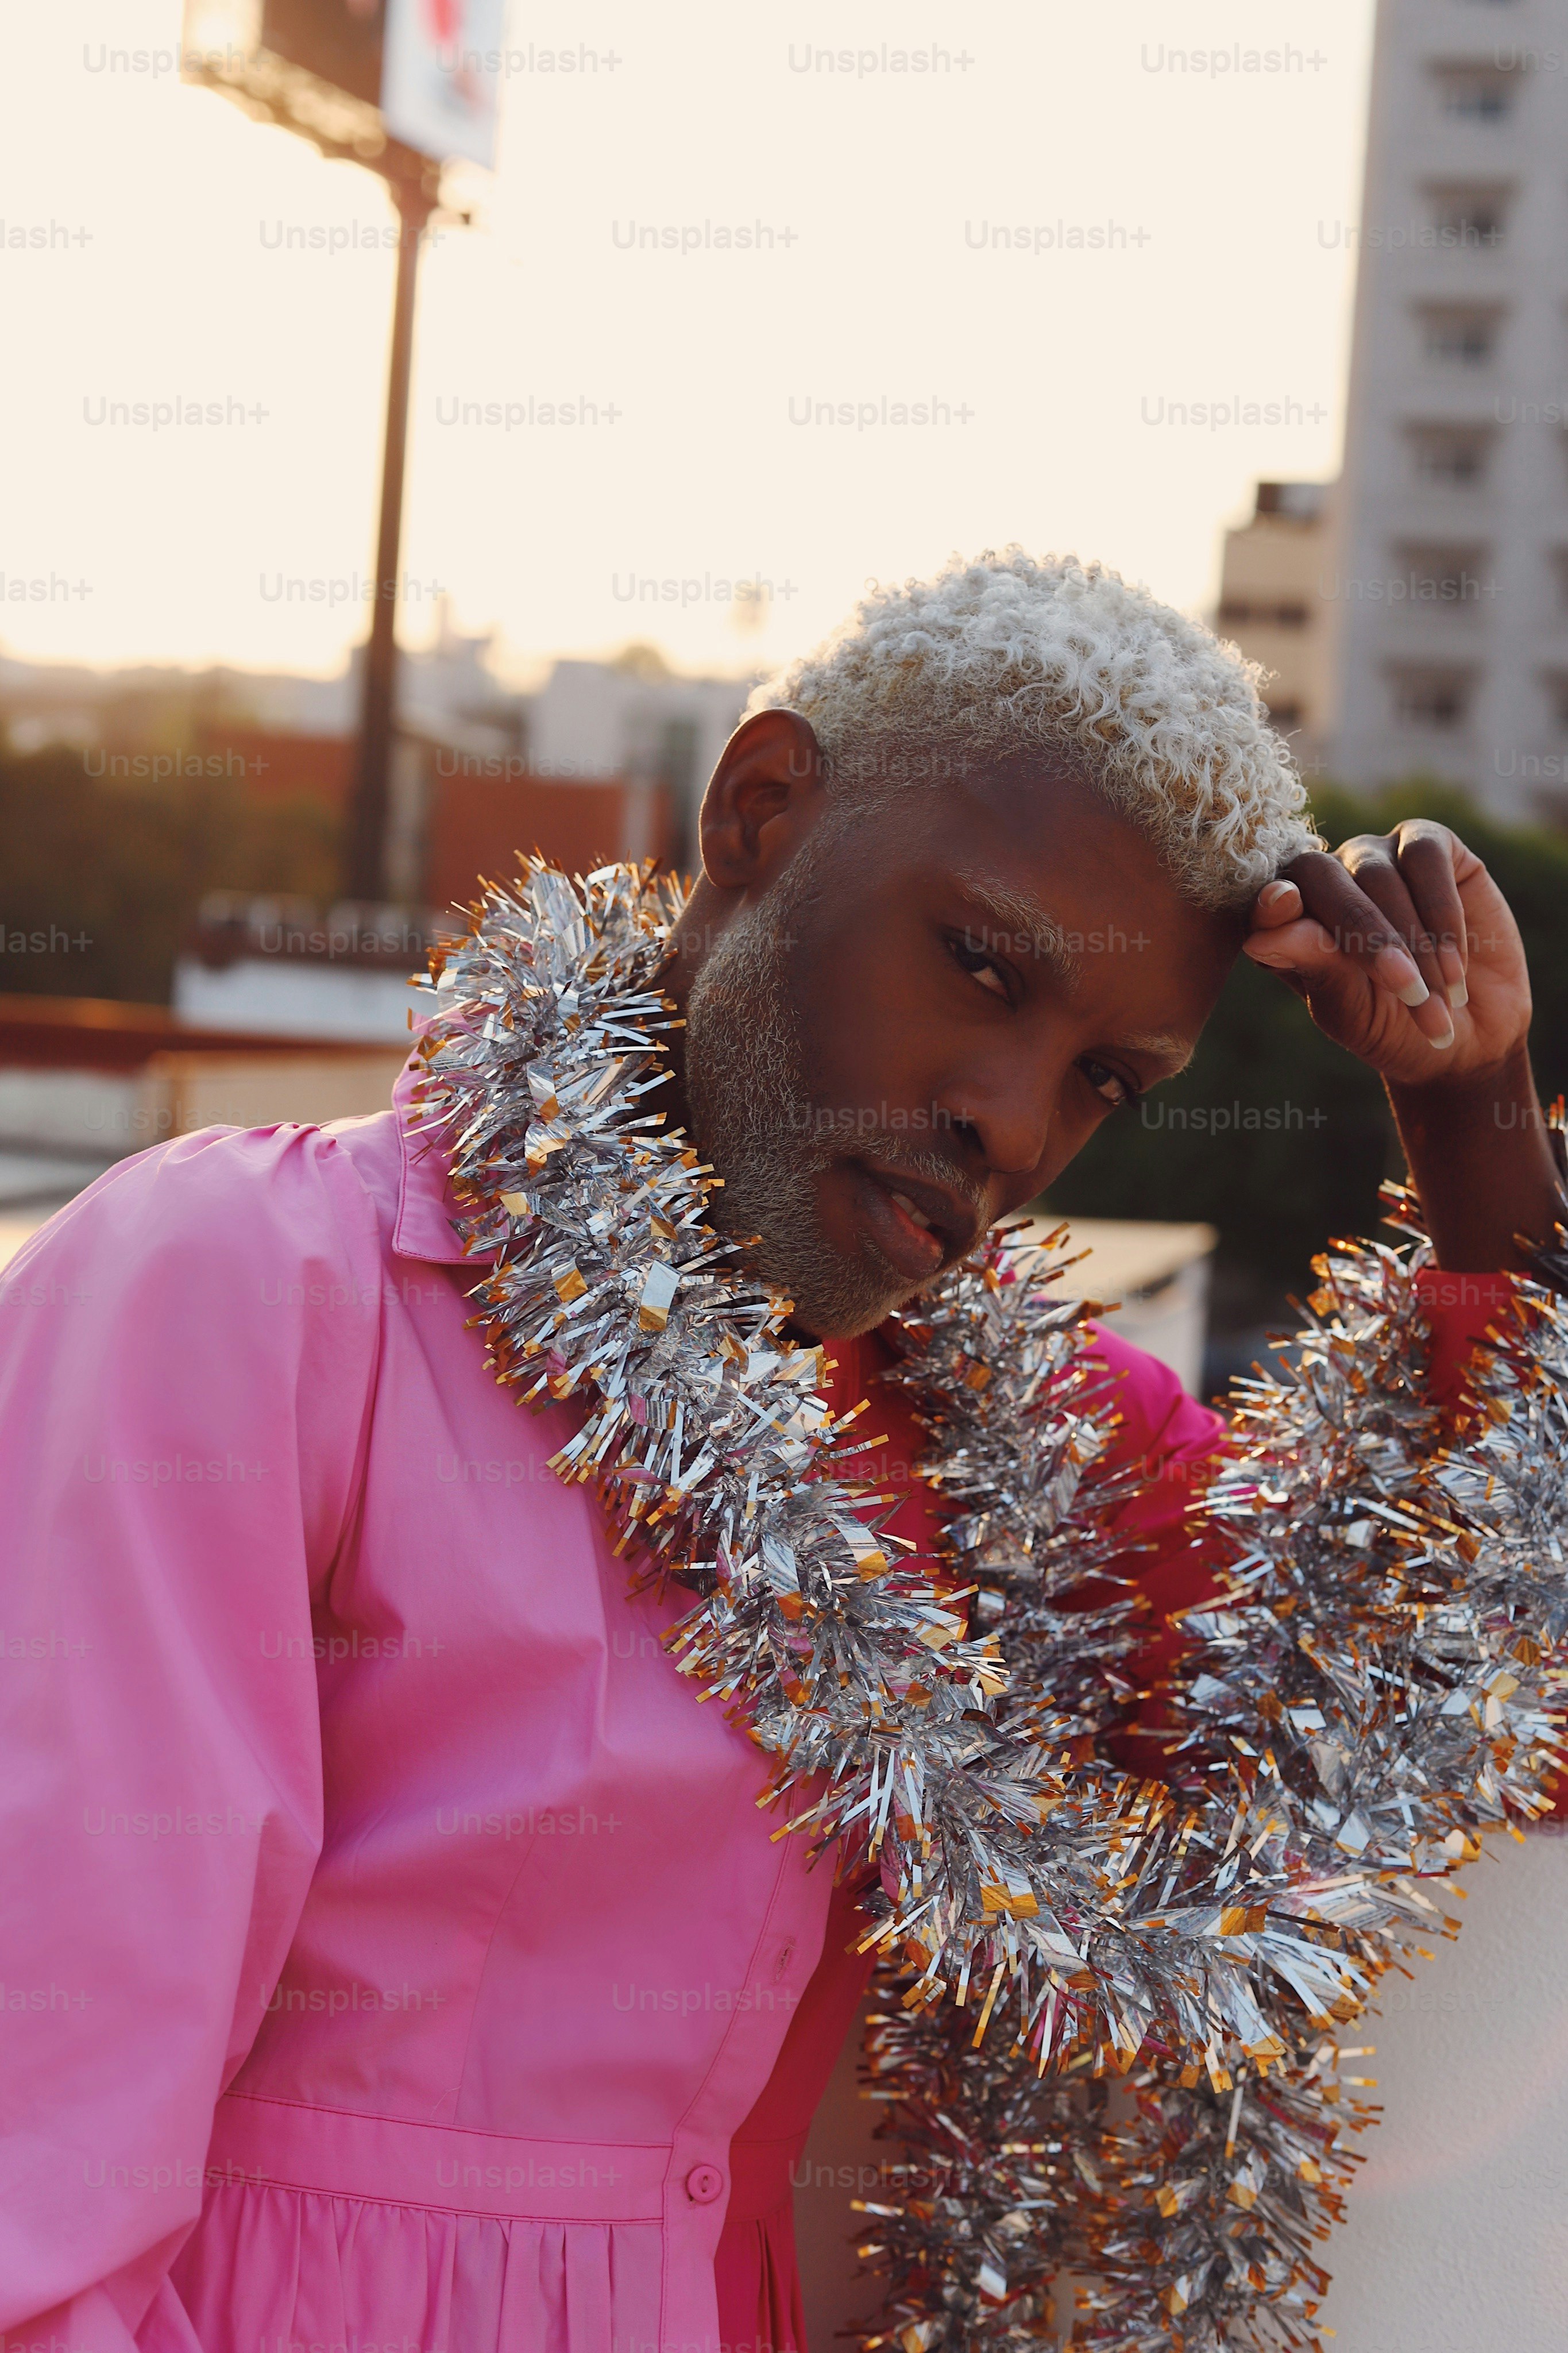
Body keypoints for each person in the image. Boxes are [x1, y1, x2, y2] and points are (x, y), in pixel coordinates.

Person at [1, 550, 1561, 2353]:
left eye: (1104, 1081)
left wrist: (1471, 1115)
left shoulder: (1021, 1465)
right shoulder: (252, 1285)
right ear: (756, 811)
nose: (1010, 1122)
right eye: (979, 964)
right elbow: (43, 2169)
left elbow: (1490, 1699)